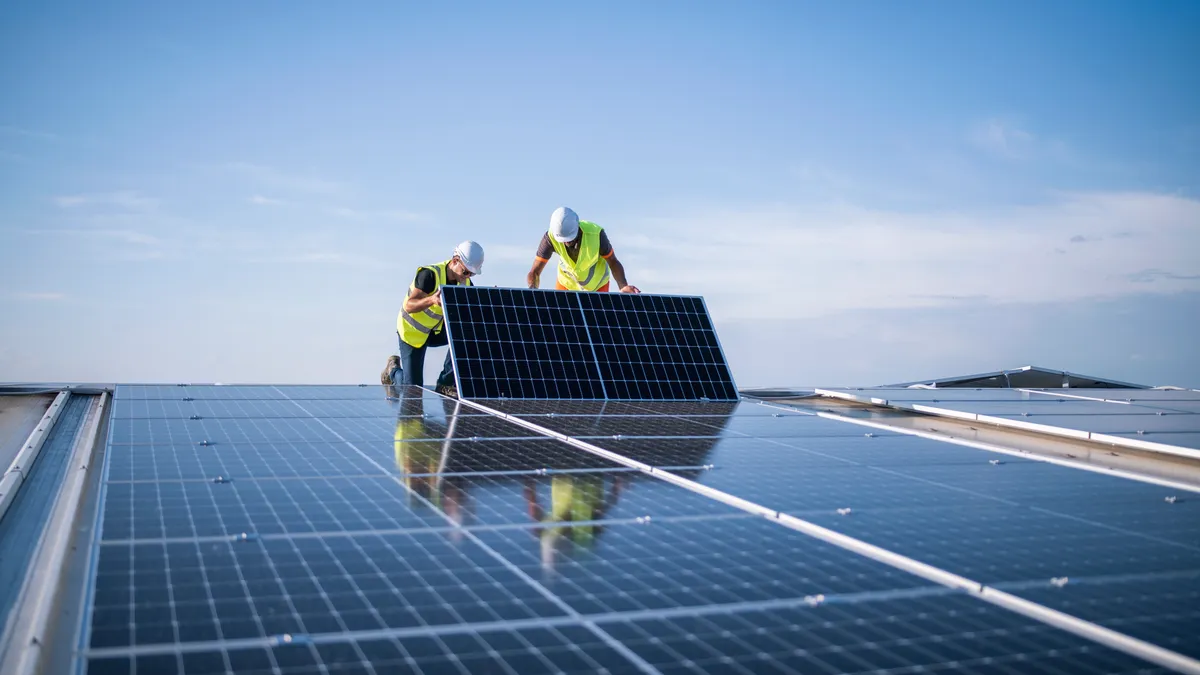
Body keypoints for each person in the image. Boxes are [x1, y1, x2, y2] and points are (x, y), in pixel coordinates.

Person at [382, 240, 484, 395]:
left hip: (434, 332)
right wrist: (431, 300)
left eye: (471, 273)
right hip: (412, 333)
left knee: (467, 332)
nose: (467, 277)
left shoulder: (465, 283)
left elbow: (470, 314)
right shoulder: (429, 275)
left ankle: (445, 383)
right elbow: (409, 305)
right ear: (455, 261)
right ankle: (393, 371)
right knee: (413, 390)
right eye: (465, 272)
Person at [525, 207, 640, 293]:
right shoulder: (550, 238)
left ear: (577, 228)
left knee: (597, 323)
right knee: (561, 321)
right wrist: (532, 290)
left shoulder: (596, 235)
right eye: (563, 240)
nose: (566, 242)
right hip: (566, 284)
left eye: (570, 239)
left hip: (597, 286)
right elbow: (534, 272)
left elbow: (613, 262)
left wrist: (623, 286)